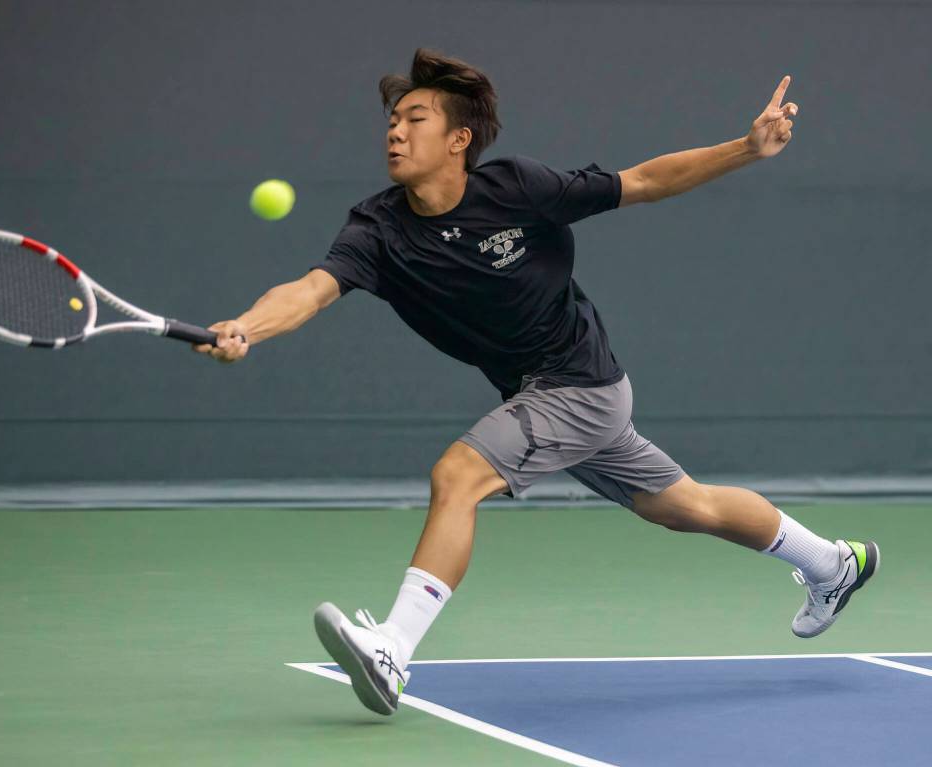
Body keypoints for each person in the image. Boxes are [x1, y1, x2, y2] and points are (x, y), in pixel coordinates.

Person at [194, 49, 880, 716]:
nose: (395, 132)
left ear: (459, 139)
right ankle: (832, 562)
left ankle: (393, 648)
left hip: (576, 383)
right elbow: (312, 291)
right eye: (391, 121)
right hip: (555, 395)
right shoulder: (377, 229)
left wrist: (746, 147)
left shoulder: (518, 188)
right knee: (686, 506)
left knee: (458, 475)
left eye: (415, 119)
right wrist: (250, 326)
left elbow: (638, 181)